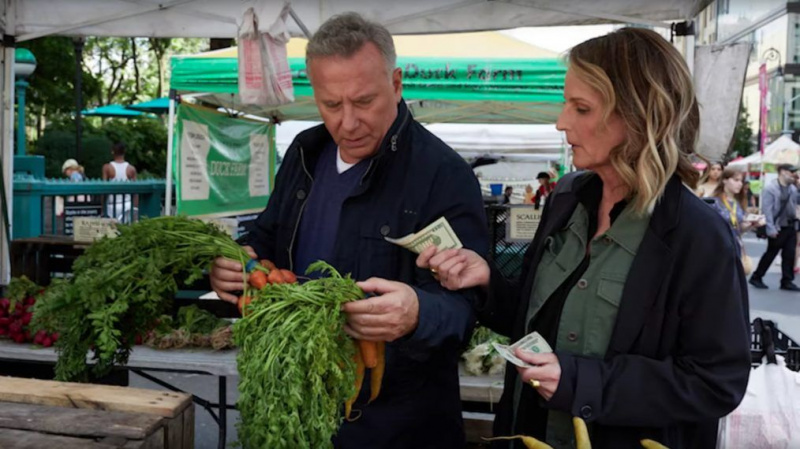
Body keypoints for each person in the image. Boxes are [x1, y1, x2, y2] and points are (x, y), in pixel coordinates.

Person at [417, 27, 750, 448]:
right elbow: (539, 316)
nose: (561, 121)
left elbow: (716, 382)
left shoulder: (698, 235)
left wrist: (583, 383)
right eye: (565, 103)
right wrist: (487, 281)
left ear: (637, 116)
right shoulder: (567, 199)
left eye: (582, 108)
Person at [209, 13, 489, 449]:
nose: (347, 122)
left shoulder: (443, 174)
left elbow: (468, 307)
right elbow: (266, 238)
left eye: (363, 102)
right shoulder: (305, 153)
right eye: (331, 105)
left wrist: (418, 313)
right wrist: (238, 263)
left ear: (396, 84)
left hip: (397, 423)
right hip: (296, 400)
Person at [750, 164, 800, 291]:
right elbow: (767, 210)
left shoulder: (792, 189)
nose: (793, 174)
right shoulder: (770, 189)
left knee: (789, 254)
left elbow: (796, 203)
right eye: (791, 171)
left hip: (790, 226)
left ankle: (787, 280)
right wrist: (770, 228)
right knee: (771, 253)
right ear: (782, 172)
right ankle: (757, 276)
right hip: (777, 227)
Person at [710, 167, 763, 275]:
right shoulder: (714, 202)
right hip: (717, 248)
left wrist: (751, 225)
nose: (740, 184)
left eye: (741, 181)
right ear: (724, 180)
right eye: (736, 180)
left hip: (735, 248)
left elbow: (738, 230)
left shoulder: (738, 202)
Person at [102, 142, 137, 222]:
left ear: (112, 152)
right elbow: (135, 191)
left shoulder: (107, 167)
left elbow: (103, 188)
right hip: (127, 204)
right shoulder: (131, 169)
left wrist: (102, 207)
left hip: (111, 204)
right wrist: (135, 208)